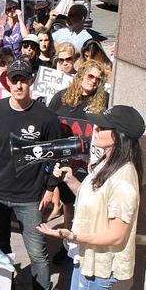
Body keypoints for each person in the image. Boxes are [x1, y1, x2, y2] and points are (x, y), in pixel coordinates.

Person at [29, 105, 145, 290]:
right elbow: (91, 201)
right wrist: (70, 179)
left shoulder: (124, 180)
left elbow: (116, 234)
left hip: (101, 261)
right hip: (87, 255)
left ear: (117, 136)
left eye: (102, 127)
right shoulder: (106, 163)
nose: (95, 129)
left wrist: (73, 236)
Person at [0, 58, 62, 290]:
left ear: (31, 81)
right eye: (14, 79)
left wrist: (50, 187)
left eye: (24, 79)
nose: (19, 84)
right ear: (7, 82)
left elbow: (56, 153)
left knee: (38, 253)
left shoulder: (46, 117)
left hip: (30, 197)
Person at [48, 60, 108, 261]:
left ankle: (79, 246)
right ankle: (68, 247)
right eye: (91, 76)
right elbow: (48, 126)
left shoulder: (103, 101)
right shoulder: (61, 98)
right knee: (68, 204)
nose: (94, 82)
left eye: (98, 79)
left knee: (84, 205)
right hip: (64, 163)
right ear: (80, 75)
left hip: (88, 166)